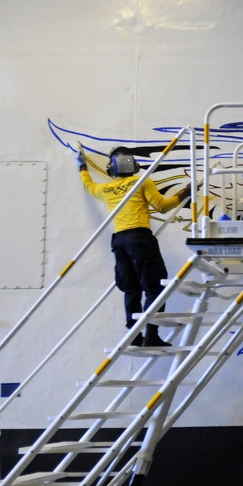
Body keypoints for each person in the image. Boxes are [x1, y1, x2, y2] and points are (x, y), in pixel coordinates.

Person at [79, 146, 182, 347]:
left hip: (119, 241)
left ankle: (134, 335)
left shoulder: (105, 190)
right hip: (140, 239)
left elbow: (88, 185)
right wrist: (184, 193)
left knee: (131, 289)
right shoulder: (141, 181)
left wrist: (83, 166)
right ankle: (151, 335)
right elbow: (162, 206)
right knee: (154, 287)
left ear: (111, 168)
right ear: (134, 165)